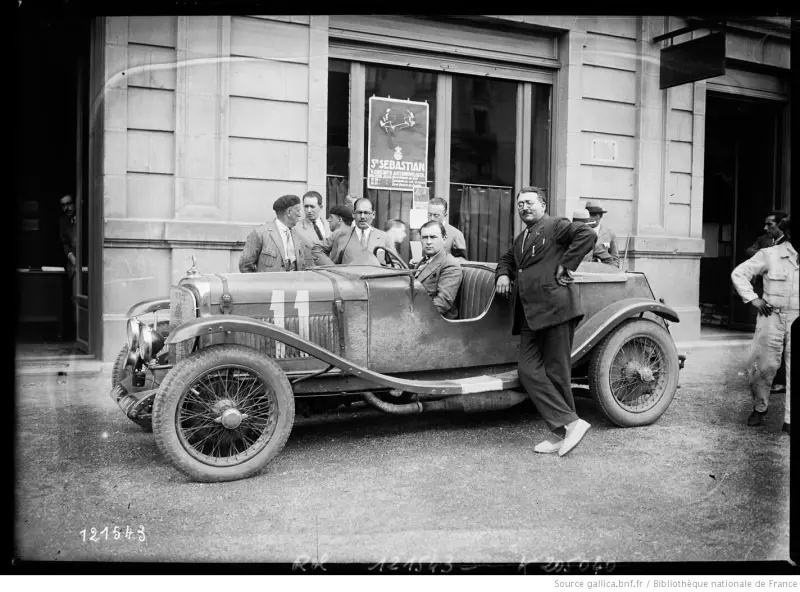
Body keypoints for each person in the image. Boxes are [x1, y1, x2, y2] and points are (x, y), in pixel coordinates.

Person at [496, 187, 596, 456]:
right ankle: (569, 426)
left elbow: (588, 233)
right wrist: (503, 274)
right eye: (520, 204)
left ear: (542, 204)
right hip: (531, 314)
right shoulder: (522, 238)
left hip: (555, 309)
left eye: (529, 202)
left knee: (556, 372)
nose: (524, 207)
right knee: (527, 370)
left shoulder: (556, 225)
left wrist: (567, 263)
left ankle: (565, 431)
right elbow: (508, 259)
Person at [730, 215, 795, 435]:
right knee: (762, 366)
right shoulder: (770, 254)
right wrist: (753, 299)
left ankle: (789, 420)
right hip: (772, 316)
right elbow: (739, 274)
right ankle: (759, 407)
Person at [745, 211, 789, 394]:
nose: (765, 228)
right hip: (769, 297)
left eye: (770, 224)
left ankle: (780, 381)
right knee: (768, 342)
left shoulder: (789, 245)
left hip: (786, 300)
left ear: (781, 225)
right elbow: (749, 251)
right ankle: (767, 379)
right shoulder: (764, 241)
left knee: (783, 344)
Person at [312, 197, 397, 266]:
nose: (363, 216)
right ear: (353, 214)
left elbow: (395, 263)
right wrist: (332, 268)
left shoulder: (384, 237)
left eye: (366, 213)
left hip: (373, 284)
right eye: (359, 212)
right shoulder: (340, 234)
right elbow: (317, 250)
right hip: (347, 284)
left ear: (373, 215)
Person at [238, 195, 312, 272]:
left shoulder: (297, 234)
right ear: (289, 212)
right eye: (298, 211)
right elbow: (245, 266)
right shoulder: (260, 233)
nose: (300, 214)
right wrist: (259, 283)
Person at [411, 221, 463, 319]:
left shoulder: (449, 264)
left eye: (433, 237)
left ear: (444, 239)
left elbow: (442, 303)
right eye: (425, 237)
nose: (428, 242)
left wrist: (413, 317)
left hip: (437, 323)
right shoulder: (424, 261)